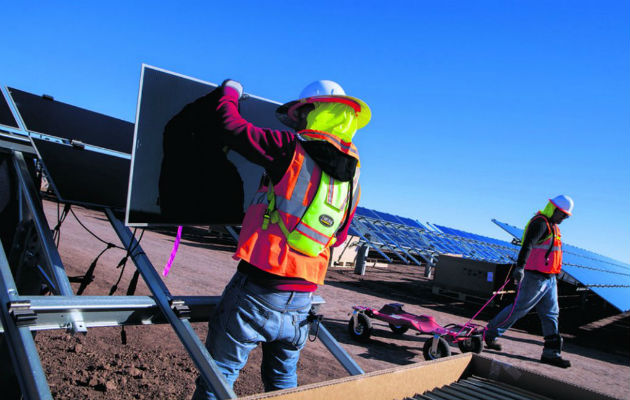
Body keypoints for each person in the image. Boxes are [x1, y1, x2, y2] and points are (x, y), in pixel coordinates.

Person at [191, 79, 370, 399]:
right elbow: (339, 235)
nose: (296, 121)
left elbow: (230, 126)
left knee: (218, 378)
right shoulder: (354, 174)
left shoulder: (288, 147)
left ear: (313, 112)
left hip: (258, 289)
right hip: (302, 302)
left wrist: (229, 91)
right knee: (282, 382)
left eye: (301, 114)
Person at [484, 195, 574, 368]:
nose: (564, 218)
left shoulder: (553, 227)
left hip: (550, 279)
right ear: (553, 209)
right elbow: (528, 245)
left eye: (566, 216)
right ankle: (488, 334)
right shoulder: (540, 223)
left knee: (551, 314)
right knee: (519, 309)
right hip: (535, 277)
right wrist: (520, 267)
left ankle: (551, 353)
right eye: (562, 214)